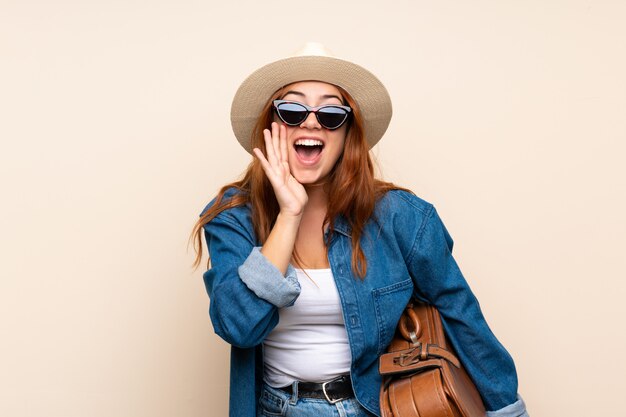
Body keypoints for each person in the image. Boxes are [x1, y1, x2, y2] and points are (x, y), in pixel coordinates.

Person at [191, 43, 530, 417]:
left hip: (370, 407)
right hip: (276, 408)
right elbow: (238, 327)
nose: (311, 122)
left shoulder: (401, 217)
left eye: (331, 113)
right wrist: (289, 214)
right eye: (292, 110)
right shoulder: (234, 217)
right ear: (272, 126)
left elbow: (462, 316)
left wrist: (508, 410)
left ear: (348, 133)